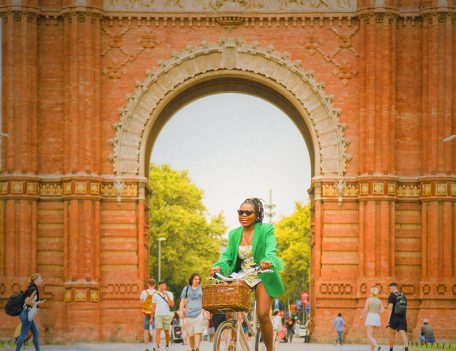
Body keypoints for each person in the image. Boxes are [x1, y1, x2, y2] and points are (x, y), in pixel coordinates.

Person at [210, 198, 284, 351]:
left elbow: (271, 249)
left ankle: (270, 349)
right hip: (243, 275)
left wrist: (267, 260)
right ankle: (233, 336)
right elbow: (227, 256)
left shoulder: (266, 229)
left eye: (248, 212)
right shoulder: (234, 234)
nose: (243, 215)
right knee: (229, 303)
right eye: (240, 212)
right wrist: (218, 267)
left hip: (261, 273)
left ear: (256, 215)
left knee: (263, 314)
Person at [15, 273, 46, 351]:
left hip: (27, 313)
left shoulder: (32, 287)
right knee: (23, 334)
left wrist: (36, 303)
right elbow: (27, 301)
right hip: (26, 313)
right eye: (40, 279)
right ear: (35, 280)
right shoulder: (34, 289)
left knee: (35, 332)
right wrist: (37, 303)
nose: (41, 280)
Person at [180, 273, 204, 351]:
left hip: (199, 312)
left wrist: (206, 311)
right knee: (190, 335)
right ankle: (192, 348)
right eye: (195, 279)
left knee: (198, 332)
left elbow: (205, 300)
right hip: (188, 314)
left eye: (198, 279)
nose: (197, 281)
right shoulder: (186, 288)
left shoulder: (202, 288)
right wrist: (181, 311)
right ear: (191, 280)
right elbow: (182, 300)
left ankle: (197, 348)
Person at [150, 280, 174, 351]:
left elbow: (172, 304)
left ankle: (167, 346)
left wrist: (167, 296)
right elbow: (153, 307)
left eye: (164, 285)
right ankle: (157, 347)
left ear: (165, 286)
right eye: (161, 285)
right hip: (158, 315)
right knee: (158, 331)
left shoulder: (169, 294)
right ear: (159, 286)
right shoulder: (155, 295)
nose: (162, 287)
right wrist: (151, 317)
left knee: (167, 332)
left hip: (167, 315)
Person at [360, 287, 384, 351]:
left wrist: (361, 316)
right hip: (377, 316)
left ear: (371, 292)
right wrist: (377, 311)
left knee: (369, 335)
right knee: (374, 336)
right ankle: (372, 349)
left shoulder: (369, 300)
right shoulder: (379, 301)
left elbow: (366, 309)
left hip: (370, 316)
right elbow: (382, 310)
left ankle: (377, 346)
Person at [386, 282, 408, 351]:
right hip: (402, 317)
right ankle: (406, 349)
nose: (389, 290)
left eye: (389, 288)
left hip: (394, 317)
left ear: (393, 287)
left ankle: (391, 349)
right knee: (403, 333)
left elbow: (390, 308)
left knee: (392, 334)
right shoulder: (403, 296)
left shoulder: (392, 296)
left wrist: (388, 320)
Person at [140, 279, 157, 351]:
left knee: (146, 330)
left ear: (148, 284)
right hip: (154, 313)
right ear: (155, 285)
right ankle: (154, 347)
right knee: (154, 330)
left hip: (146, 313)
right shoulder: (157, 293)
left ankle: (146, 348)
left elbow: (141, 301)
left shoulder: (144, 292)